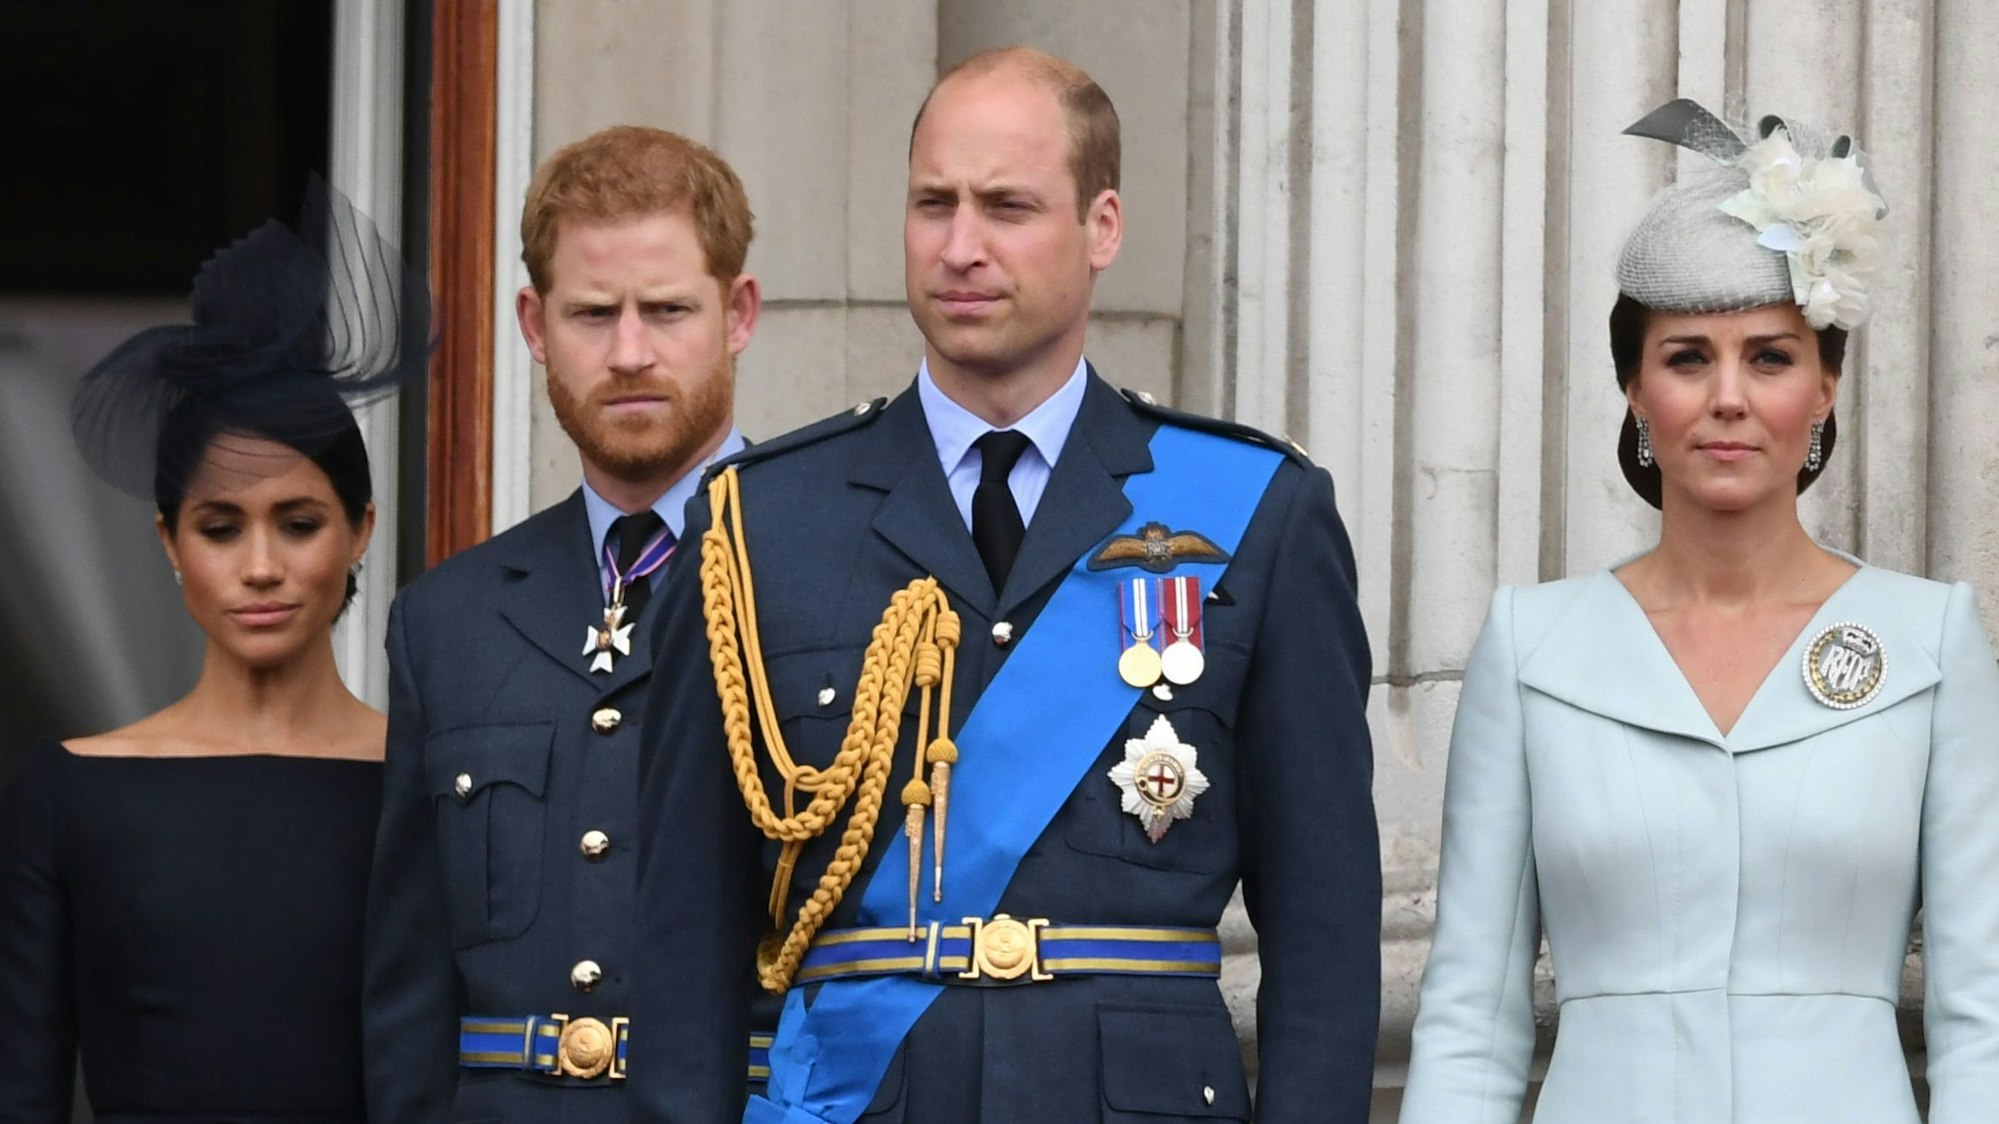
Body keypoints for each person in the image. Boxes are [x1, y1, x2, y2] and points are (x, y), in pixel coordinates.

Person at [630, 47, 1381, 1123]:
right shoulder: (759, 523)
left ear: (1102, 227)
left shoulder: (1256, 510)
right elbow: (686, 942)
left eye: (1007, 206)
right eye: (932, 204)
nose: (960, 246)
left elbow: (1324, 929)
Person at [1400, 99, 1999, 1123]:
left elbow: (1981, 1013)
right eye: (1686, 357)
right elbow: (1470, 1015)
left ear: (1824, 388)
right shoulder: (1532, 644)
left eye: (1768, 356)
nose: (1728, 395)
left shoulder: (1928, 639)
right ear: (1635, 389)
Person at [364, 125, 767, 1121]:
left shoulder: (840, 573)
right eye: (593, 313)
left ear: (738, 313)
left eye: (667, 310)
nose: (629, 352)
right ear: (534, 325)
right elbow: (409, 992)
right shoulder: (445, 621)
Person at [0, 181, 425, 1122]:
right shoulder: (69, 796)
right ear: (169, 543)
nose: (262, 567)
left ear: (360, 531)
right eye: (222, 527)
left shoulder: (428, 790)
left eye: (300, 522)